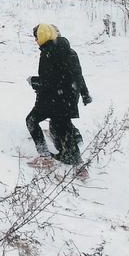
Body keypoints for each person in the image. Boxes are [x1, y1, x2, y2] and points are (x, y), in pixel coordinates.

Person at [26, 24, 92, 169]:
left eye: (36, 37)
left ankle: (45, 156)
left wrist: (34, 81)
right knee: (62, 126)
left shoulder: (48, 53)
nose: (36, 41)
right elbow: (77, 75)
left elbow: (49, 81)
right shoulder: (70, 51)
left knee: (32, 120)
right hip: (69, 98)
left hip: (54, 98)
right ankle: (78, 163)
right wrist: (85, 94)